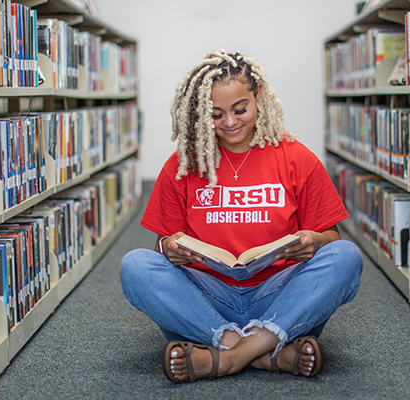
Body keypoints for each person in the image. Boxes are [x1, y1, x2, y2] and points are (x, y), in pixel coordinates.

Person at [119, 50, 362, 383]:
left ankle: (226, 357)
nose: (230, 123)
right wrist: (167, 247)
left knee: (345, 255)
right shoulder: (183, 165)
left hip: (280, 296)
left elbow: (332, 239)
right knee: (135, 265)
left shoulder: (296, 158)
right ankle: (265, 352)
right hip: (208, 299)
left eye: (240, 109)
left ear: (258, 95)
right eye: (215, 114)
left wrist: (315, 242)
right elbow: (164, 244)